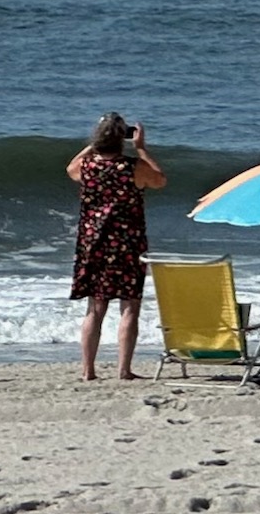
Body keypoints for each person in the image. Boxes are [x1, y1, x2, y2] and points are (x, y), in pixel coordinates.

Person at [66, 112, 166, 381]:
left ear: (98, 139)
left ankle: (88, 371)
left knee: (95, 307)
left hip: (92, 242)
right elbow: (159, 180)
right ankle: (123, 369)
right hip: (127, 243)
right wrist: (142, 149)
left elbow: (70, 168)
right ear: (122, 139)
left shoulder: (86, 166)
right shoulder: (132, 167)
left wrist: (94, 144)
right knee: (129, 305)